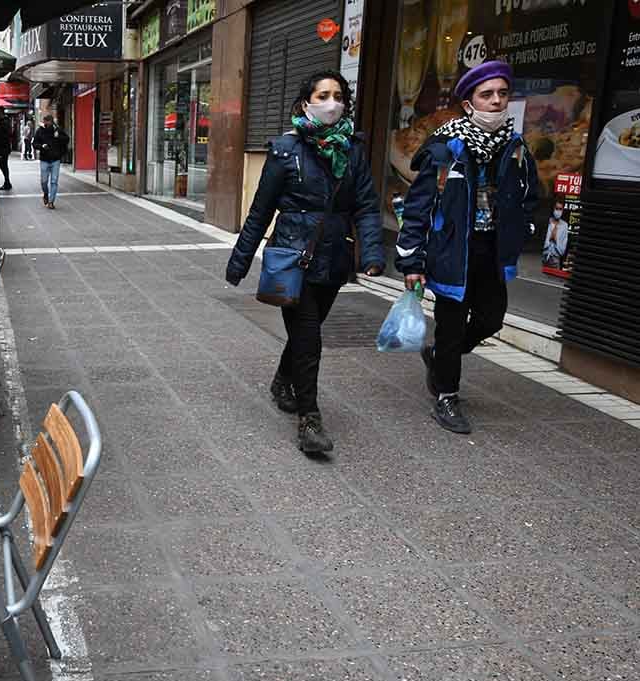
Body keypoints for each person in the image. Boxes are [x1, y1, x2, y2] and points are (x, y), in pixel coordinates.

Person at [226, 71, 385, 454]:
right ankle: (309, 420)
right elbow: (260, 211)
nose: (332, 103)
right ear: (306, 103)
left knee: (304, 335)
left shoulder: (353, 151)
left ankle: (283, 379)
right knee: (310, 338)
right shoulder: (285, 151)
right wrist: (240, 262)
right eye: (323, 95)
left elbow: (365, 206)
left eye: (338, 95)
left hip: (333, 258)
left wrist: (374, 253)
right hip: (293, 259)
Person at [397, 60, 539, 434]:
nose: (496, 101)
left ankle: (440, 358)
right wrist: (412, 258)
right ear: (468, 103)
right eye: (486, 94)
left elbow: (529, 195)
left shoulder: (515, 145)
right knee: (451, 324)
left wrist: (521, 227)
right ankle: (446, 395)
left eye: (502, 94)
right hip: (451, 251)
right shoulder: (444, 148)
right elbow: (418, 206)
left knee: (491, 318)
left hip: (493, 250)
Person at [32, 115, 68, 209]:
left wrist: (58, 136)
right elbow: (34, 144)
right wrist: (41, 146)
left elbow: (66, 139)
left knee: (54, 181)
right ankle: (45, 193)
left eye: (47, 122)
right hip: (44, 160)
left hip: (55, 159)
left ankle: (51, 202)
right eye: (44, 122)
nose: (45, 124)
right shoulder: (40, 131)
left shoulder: (57, 130)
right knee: (44, 181)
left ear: (51, 122)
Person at [542, 199, 569, 268]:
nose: (558, 211)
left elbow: (562, 250)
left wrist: (556, 240)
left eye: (560, 209)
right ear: (553, 208)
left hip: (555, 260)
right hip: (543, 257)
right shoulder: (547, 221)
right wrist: (549, 238)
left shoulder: (564, 226)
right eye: (556, 208)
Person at [0, 107, 13, 190]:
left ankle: (7, 182)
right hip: (3, 147)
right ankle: (7, 182)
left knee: (3, 165)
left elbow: (7, 134)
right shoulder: (5, 121)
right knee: (3, 165)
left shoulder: (4, 121)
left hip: (3, 147)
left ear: (0, 112)